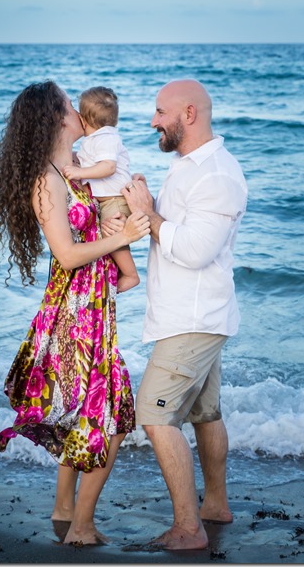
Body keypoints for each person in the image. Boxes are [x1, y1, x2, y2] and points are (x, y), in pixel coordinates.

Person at [0, 80, 150, 545]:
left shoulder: (67, 172)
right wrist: (127, 235)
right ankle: (81, 528)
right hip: (75, 314)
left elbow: (87, 231)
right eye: (68, 103)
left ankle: (65, 510)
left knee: (88, 411)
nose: (76, 108)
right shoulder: (47, 180)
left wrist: (116, 216)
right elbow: (66, 255)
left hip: (89, 309)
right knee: (113, 415)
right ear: (55, 117)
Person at [120, 79, 248, 550]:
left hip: (193, 319)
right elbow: (176, 230)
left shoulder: (216, 174)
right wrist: (146, 210)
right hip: (196, 314)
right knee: (204, 412)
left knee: (154, 415)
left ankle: (189, 528)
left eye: (159, 111)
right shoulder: (189, 166)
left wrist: (149, 216)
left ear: (188, 114)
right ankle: (214, 506)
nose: (153, 120)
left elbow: (194, 250)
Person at [62, 86, 139, 293]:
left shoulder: (105, 138)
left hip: (115, 200)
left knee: (110, 233)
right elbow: (91, 160)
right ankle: (123, 271)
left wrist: (80, 173)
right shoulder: (96, 140)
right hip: (110, 199)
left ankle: (130, 274)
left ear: (85, 121)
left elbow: (108, 167)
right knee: (111, 233)